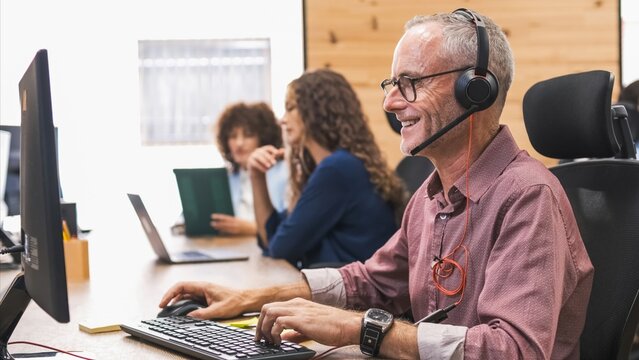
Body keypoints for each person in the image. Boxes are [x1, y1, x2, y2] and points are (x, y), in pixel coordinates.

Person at [160, 9, 594, 359]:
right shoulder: (431, 195)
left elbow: (514, 351)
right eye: (391, 85)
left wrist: (361, 329)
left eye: (410, 84)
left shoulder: (526, 196)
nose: (389, 102)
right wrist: (249, 298)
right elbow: (368, 282)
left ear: (474, 90)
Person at [247, 69, 406, 267]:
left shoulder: (337, 169)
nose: (282, 120)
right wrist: (256, 176)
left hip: (353, 294)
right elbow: (272, 238)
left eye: (290, 108)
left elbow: (280, 248)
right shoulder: (335, 165)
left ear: (314, 111)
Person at [211, 102, 288, 236]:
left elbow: (292, 229)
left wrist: (251, 229)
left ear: (263, 138)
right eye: (233, 136)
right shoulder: (225, 177)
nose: (239, 143)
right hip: (229, 248)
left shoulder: (284, 174)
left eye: (248, 135)